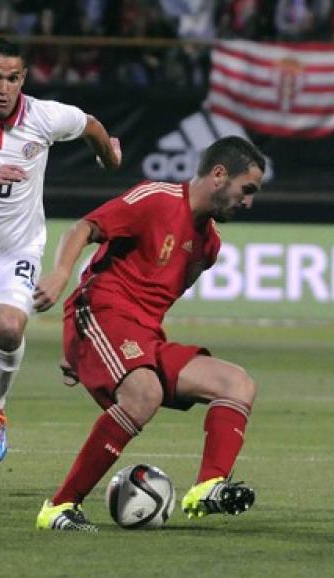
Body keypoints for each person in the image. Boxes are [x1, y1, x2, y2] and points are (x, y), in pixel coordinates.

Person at [32, 135, 265, 532]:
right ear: (219, 175)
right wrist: (59, 274)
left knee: (236, 383)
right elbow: (86, 227)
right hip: (101, 308)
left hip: (144, 333)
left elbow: (155, 300)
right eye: (248, 190)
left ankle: (208, 485)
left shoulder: (208, 245)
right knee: (144, 393)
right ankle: (60, 506)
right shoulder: (157, 198)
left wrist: (95, 356)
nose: (249, 202)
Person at [0, 37, 121, 495]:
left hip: (14, 252)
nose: (3, 87)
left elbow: (90, 124)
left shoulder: (43, 117)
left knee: (10, 326)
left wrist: (107, 155)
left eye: (13, 78)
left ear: (23, 79)